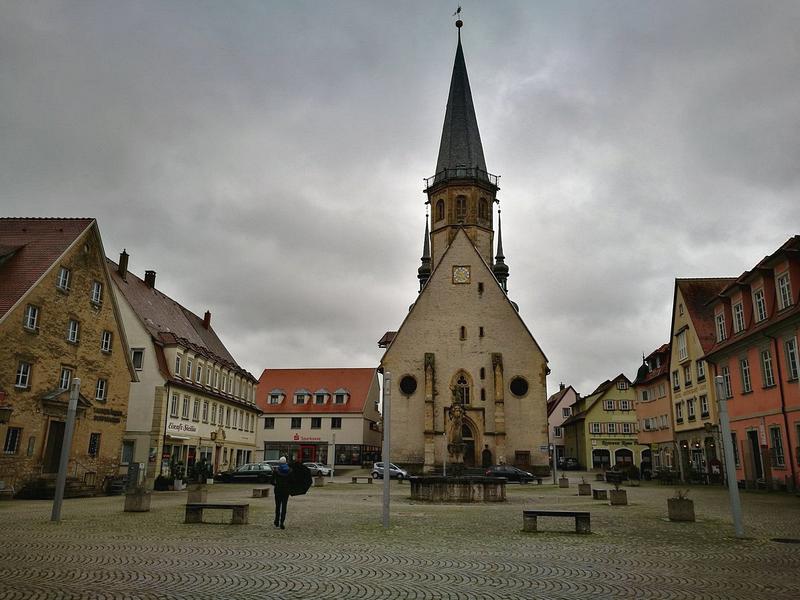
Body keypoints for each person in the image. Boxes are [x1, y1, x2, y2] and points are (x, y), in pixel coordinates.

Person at [272, 456, 292, 529]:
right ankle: (282, 522)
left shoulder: (276, 470)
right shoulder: (290, 471)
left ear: (279, 463)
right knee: (284, 506)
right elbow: (291, 482)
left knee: (277, 506)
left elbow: (271, 481)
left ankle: (276, 521)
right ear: (286, 462)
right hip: (286, 490)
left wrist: (276, 484)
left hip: (278, 490)